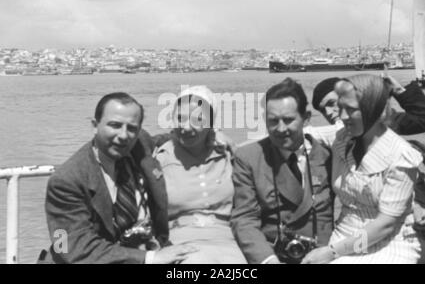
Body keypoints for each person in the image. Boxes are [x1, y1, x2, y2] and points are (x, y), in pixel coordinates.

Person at [38, 92, 196, 264]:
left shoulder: (139, 145)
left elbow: (166, 139)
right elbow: (71, 247)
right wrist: (151, 258)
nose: (123, 135)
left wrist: (210, 136)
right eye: (114, 125)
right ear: (94, 125)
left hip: (147, 249)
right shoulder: (66, 181)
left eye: (131, 128)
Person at [302, 74, 423, 264]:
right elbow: (301, 134)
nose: (339, 116)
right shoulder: (342, 137)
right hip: (344, 234)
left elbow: (385, 225)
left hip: (389, 241)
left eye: (349, 109)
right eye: (340, 108)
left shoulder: (401, 155)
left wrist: (332, 252)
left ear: (371, 109)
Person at [231, 78, 334, 264]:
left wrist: (331, 252)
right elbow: (245, 219)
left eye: (288, 120)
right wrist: (267, 259)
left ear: (306, 118)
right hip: (274, 256)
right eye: (273, 121)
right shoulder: (249, 158)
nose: (280, 128)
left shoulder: (327, 157)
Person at [154, 85, 247, 264]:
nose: (186, 127)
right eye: (180, 118)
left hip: (230, 243)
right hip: (181, 243)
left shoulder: (227, 154)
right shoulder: (161, 158)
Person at [311, 74, 425, 135]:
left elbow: (422, 119)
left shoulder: (381, 122)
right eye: (322, 110)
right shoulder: (328, 140)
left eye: (331, 103)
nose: (328, 113)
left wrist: (399, 91)